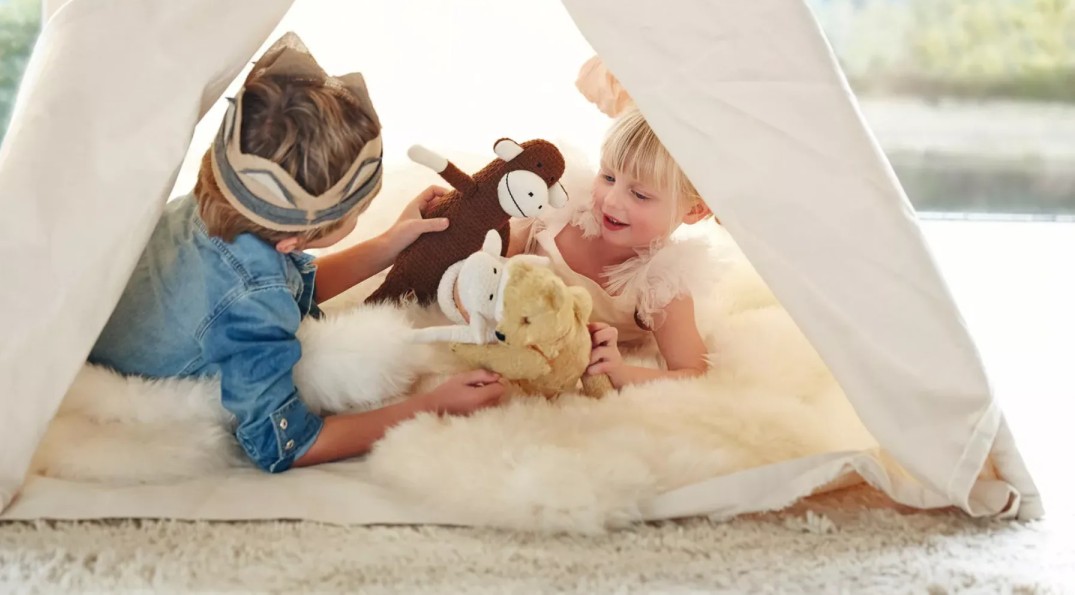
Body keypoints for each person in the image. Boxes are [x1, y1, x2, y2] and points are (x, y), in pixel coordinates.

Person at [89, 34, 503, 473]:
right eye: (359, 212)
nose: (365, 215)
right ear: (291, 241)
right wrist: (431, 404)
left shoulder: (224, 199)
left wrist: (388, 244)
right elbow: (286, 444)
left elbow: (287, 283)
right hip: (138, 382)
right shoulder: (249, 299)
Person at [508, 57, 718, 388]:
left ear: (693, 211)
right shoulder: (556, 214)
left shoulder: (661, 287)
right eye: (607, 176)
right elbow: (490, 255)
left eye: (640, 195)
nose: (611, 200)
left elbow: (694, 372)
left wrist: (622, 372)